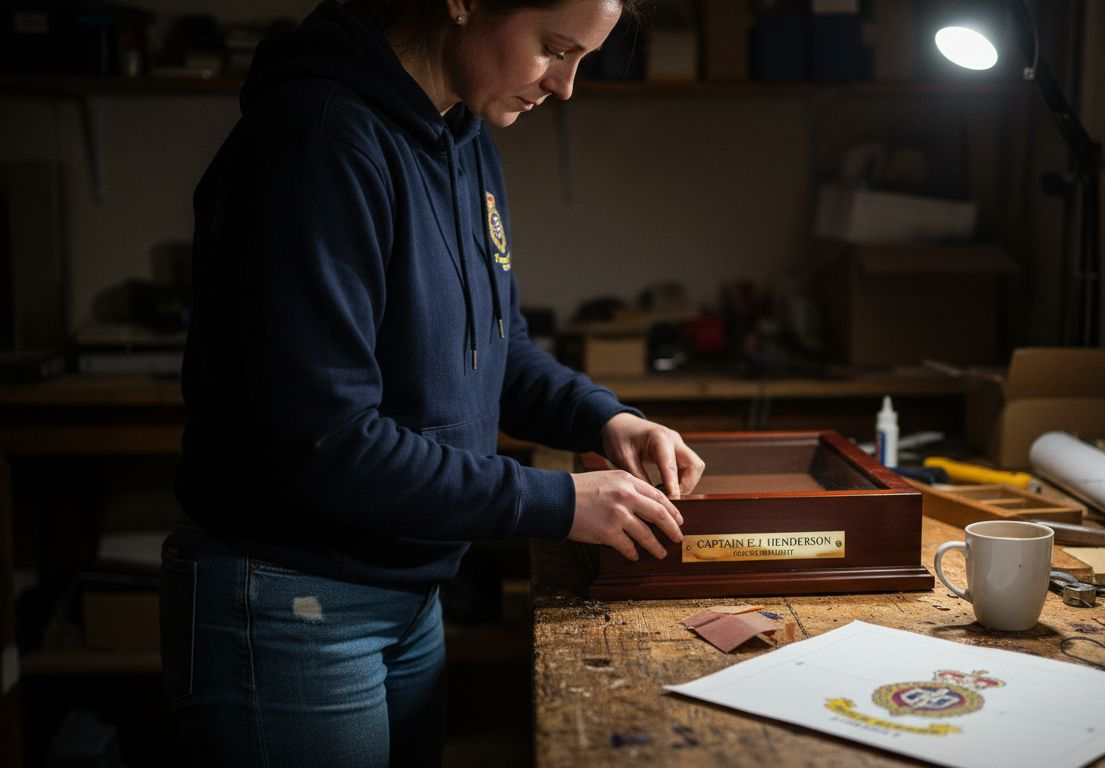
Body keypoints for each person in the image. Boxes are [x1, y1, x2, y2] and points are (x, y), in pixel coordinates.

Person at [159, 1, 704, 765]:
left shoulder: (463, 134)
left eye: (581, 58)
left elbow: (496, 347)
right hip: (292, 598)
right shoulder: (317, 141)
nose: (567, 85)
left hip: (407, 588)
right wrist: (556, 501)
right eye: (554, 49)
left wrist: (604, 420)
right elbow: (329, 442)